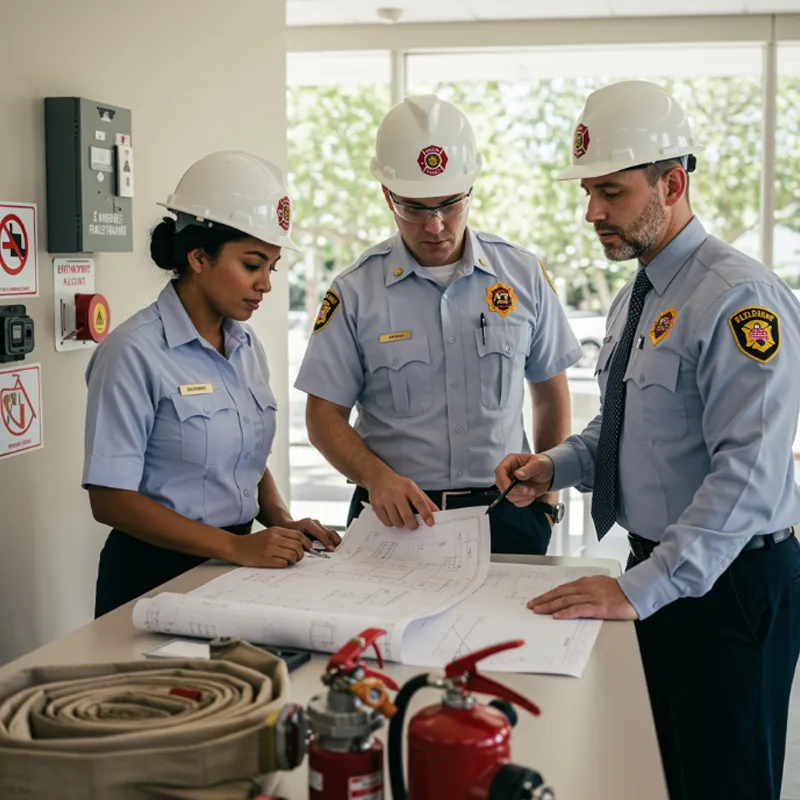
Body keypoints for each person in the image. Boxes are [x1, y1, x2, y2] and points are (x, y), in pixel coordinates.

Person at [495, 80, 800, 800]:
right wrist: (555, 465)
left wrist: (640, 589)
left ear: (672, 181)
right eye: (588, 193)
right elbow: (624, 425)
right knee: (665, 774)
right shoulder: (641, 292)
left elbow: (749, 473)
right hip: (662, 576)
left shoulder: (737, 298)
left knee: (725, 783)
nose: (592, 212)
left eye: (611, 192)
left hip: (728, 588)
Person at [294, 94, 581, 555]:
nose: (435, 225)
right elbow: (323, 417)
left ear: (471, 191)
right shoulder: (354, 291)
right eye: (414, 208)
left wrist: (546, 504)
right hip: (392, 521)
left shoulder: (522, 275)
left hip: (505, 516)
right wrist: (376, 478)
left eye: (450, 205)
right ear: (387, 196)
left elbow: (550, 391)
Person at [84, 151, 340, 618]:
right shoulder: (133, 351)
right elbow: (110, 499)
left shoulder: (245, 345)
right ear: (198, 257)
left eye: (272, 267)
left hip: (236, 563)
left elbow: (241, 455)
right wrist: (235, 547)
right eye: (252, 264)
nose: (265, 284)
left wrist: (281, 521)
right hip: (153, 576)